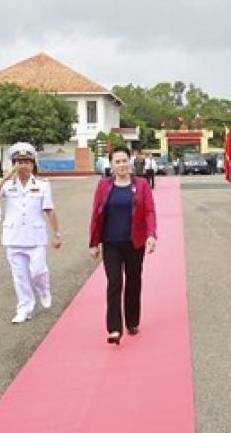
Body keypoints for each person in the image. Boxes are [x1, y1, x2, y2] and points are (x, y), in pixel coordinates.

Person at [89, 145, 158, 345]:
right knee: (114, 283)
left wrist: (151, 234)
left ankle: (132, 321)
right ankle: (114, 328)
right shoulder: (104, 185)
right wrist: (94, 242)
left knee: (133, 281)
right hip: (111, 242)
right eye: (117, 161)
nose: (121, 165)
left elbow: (149, 211)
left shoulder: (142, 184)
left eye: (124, 161)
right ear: (111, 164)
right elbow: (96, 214)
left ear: (130, 162)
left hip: (134, 242)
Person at [0, 143, 62, 324]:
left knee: (38, 271)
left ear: (32, 164)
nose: (23, 165)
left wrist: (56, 233)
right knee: (20, 277)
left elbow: (49, 210)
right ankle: (24, 308)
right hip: (13, 237)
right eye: (19, 162)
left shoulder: (42, 185)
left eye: (27, 162)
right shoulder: (7, 185)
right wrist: (6, 177)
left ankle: (43, 289)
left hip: (35, 237)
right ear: (14, 164)